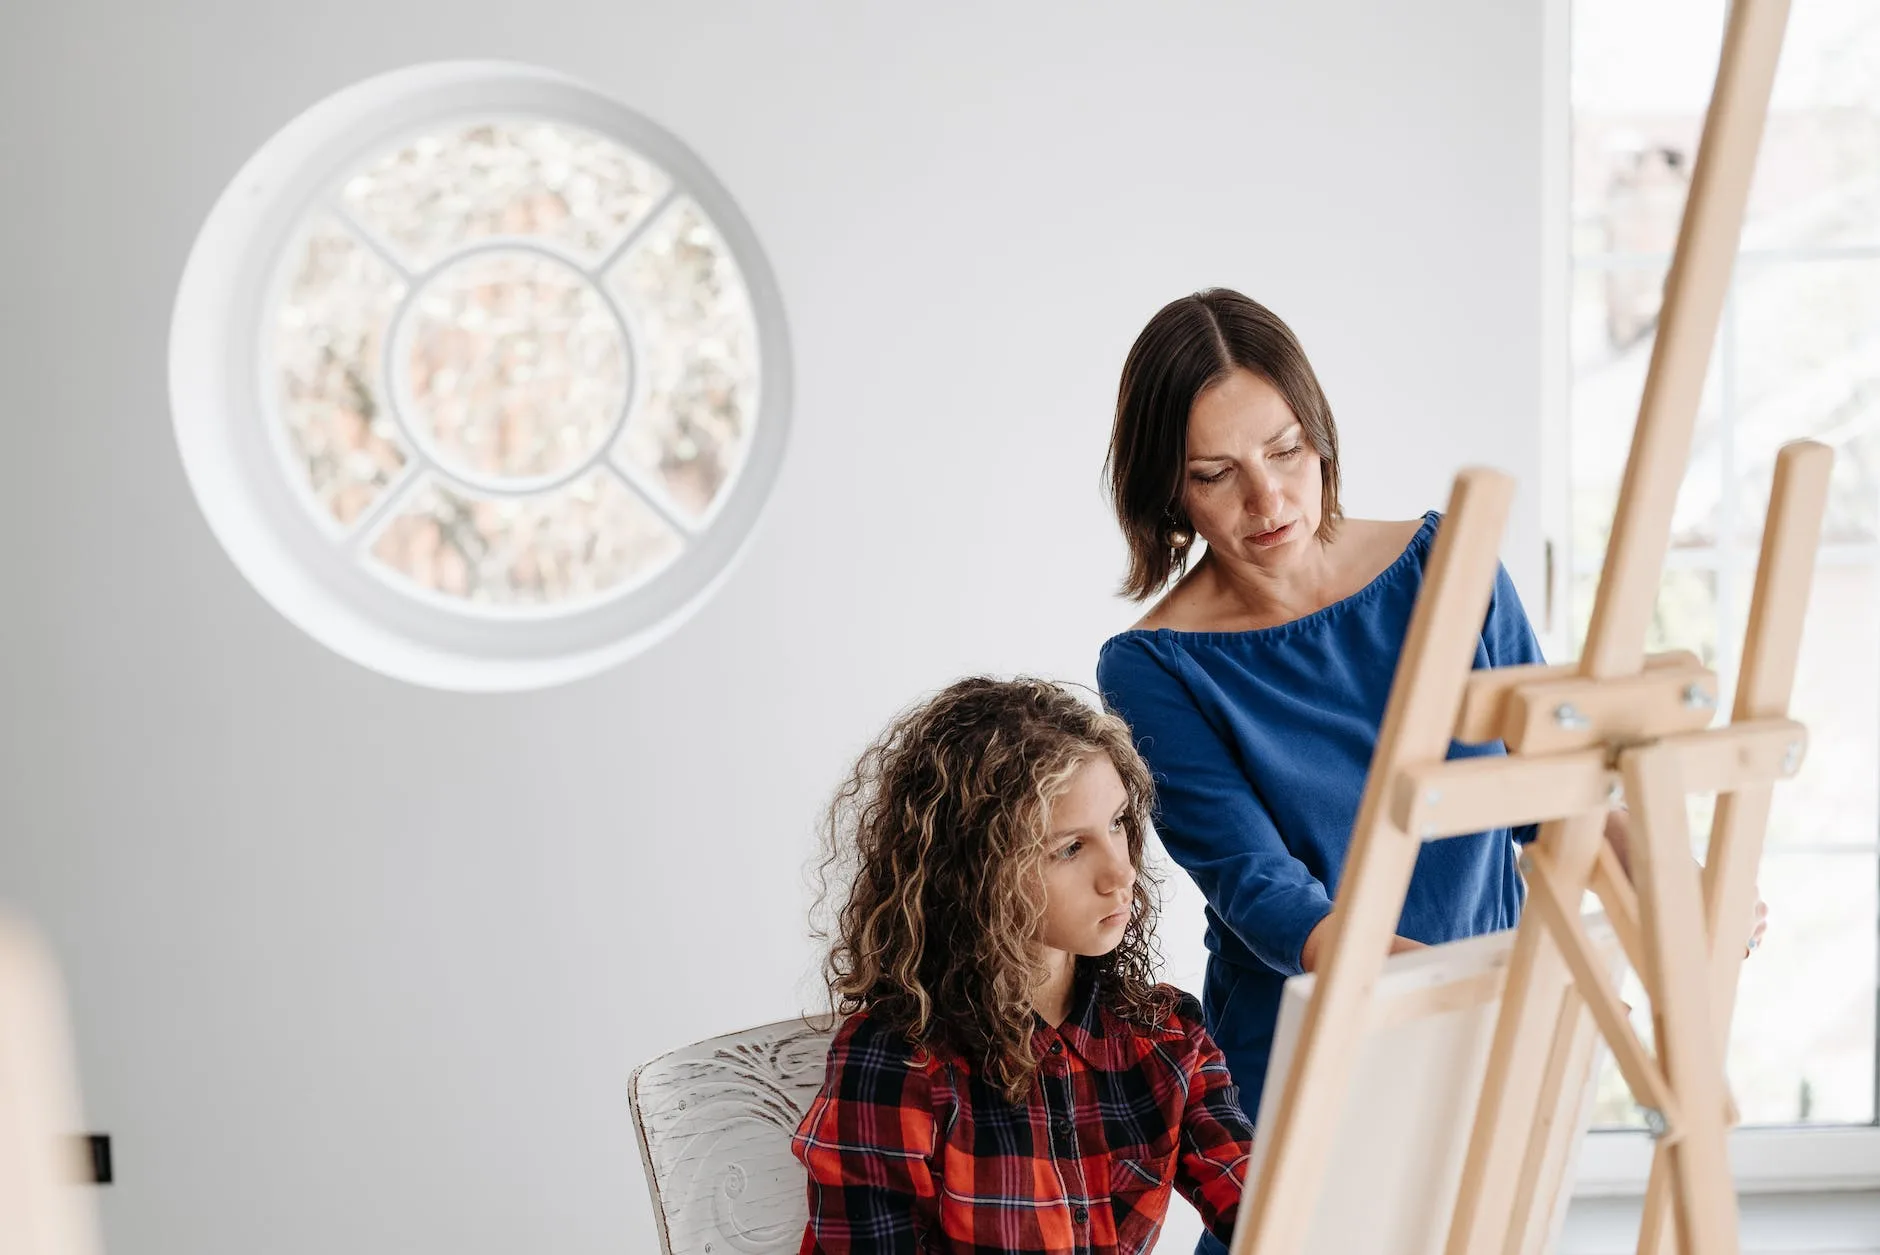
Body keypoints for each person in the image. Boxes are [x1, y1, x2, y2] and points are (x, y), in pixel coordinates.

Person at [1095, 288, 1769, 1172]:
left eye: (1287, 449)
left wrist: (1672, 881)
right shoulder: (1155, 666)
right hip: (1312, 1052)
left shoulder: (1446, 565)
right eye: (1216, 473)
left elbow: (1549, 783)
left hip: (1494, 1028)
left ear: (1320, 434)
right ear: (1171, 492)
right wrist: (1474, 996)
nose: (1269, 497)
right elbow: (1264, 892)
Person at [791, 677, 1254, 1255]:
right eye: (1070, 848)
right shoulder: (896, 1066)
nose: (1121, 873)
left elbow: (1268, 1212)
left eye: (1117, 824)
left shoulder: (1165, 1036)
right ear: (976, 875)